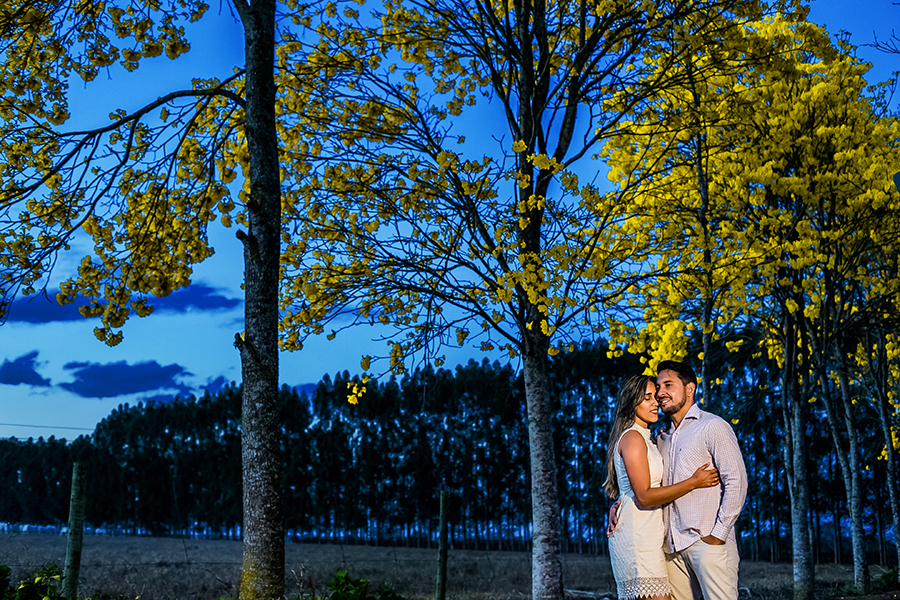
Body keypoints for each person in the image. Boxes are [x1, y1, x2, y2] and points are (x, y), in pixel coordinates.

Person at [609, 361, 748, 600]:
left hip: (706, 542)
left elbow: (737, 481)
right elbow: (642, 487)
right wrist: (620, 505)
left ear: (689, 389)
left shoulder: (712, 426)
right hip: (669, 550)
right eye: (656, 389)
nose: (661, 393)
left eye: (668, 385)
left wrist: (718, 534)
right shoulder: (662, 439)